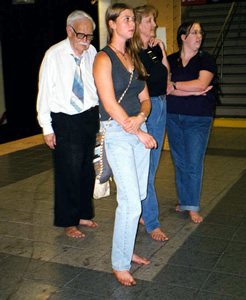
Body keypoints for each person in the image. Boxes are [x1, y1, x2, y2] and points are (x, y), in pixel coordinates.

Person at [93, 3, 157, 286]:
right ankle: (119, 263)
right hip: (117, 132)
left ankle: (125, 250)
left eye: (133, 19)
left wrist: (141, 118)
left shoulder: (133, 56)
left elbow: (146, 97)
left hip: (136, 128)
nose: (132, 23)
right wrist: (135, 129)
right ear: (112, 24)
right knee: (131, 201)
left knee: (137, 196)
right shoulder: (103, 59)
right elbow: (107, 103)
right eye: (127, 19)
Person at [36, 10, 99, 238]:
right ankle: (68, 221)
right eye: (81, 35)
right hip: (65, 119)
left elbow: (96, 85)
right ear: (69, 31)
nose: (86, 41)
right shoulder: (54, 55)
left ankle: (83, 213)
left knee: (86, 171)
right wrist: (47, 127)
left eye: (90, 36)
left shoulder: (92, 52)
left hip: (89, 116)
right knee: (67, 172)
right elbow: (44, 93)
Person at [166, 21, 216, 223]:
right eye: (194, 32)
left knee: (193, 162)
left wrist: (178, 85)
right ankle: (184, 200)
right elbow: (165, 88)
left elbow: (202, 83)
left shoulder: (206, 59)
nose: (199, 36)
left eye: (200, 33)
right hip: (173, 116)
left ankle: (192, 206)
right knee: (179, 162)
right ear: (183, 37)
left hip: (198, 117)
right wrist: (194, 90)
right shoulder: (171, 59)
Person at [132, 5, 169, 241]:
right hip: (147, 108)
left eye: (153, 20)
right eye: (149, 21)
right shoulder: (131, 53)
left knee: (149, 168)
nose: (154, 25)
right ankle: (152, 222)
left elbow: (167, 77)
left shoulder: (154, 50)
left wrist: (163, 51)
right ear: (136, 25)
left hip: (162, 105)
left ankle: (143, 213)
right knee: (148, 169)